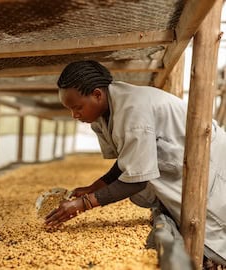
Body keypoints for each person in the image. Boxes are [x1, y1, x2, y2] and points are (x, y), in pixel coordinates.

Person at [45, 60, 226, 267]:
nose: (74, 115)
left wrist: (83, 204)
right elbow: (127, 159)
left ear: (97, 94)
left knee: (213, 227)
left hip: (211, 163)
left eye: (77, 108)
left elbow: (136, 180)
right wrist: (95, 187)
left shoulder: (132, 109)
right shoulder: (105, 112)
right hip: (185, 168)